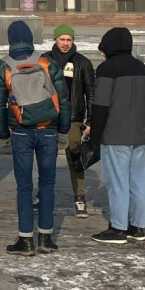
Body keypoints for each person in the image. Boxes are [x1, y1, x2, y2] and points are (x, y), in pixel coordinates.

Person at [0, 20, 69, 255]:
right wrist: (63, 130)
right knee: (47, 183)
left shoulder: (4, 66)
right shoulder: (47, 62)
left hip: (21, 131)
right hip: (47, 130)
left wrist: (3, 134)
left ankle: (25, 239)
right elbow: (63, 100)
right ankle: (46, 237)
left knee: (24, 186)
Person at [88, 26, 145, 245]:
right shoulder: (142, 68)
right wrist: (141, 124)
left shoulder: (108, 69)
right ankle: (137, 226)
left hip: (115, 135)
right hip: (139, 134)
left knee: (117, 182)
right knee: (137, 183)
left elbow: (100, 106)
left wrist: (94, 136)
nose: (102, 54)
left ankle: (118, 228)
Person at [48, 24, 96, 218]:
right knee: (46, 159)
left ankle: (80, 197)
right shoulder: (45, 60)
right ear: (55, 40)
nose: (66, 43)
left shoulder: (82, 62)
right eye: (62, 39)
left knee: (75, 159)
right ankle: (43, 195)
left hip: (74, 119)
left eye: (69, 40)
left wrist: (90, 120)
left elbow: (91, 93)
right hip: (49, 118)